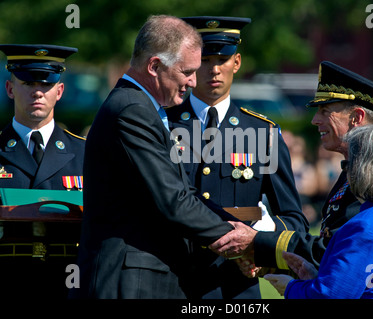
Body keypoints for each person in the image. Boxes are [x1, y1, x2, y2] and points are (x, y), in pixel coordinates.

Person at [73, 15, 257, 299]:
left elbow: (185, 193)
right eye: (187, 72)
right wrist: (237, 240)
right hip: (128, 282)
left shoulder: (144, 108)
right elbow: (173, 201)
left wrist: (237, 229)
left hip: (143, 277)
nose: (194, 82)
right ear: (155, 66)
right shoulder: (131, 110)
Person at [166, 16, 308, 299]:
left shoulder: (263, 133)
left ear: (237, 62)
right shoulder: (164, 126)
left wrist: (259, 245)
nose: (214, 69)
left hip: (235, 285)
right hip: (173, 280)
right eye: (205, 60)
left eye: (223, 59)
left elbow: (293, 219)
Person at [238, 61, 373, 272]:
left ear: (357, 117)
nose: (315, 121)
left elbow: (339, 251)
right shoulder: (357, 168)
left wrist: (262, 242)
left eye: (325, 111)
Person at [265, 124, 373, 299]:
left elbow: (331, 296)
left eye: (347, 165)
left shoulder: (365, 226)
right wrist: (315, 277)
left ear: (362, 169)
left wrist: (291, 288)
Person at [0, 44, 84, 298]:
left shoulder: (86, 153)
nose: (37, 92)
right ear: (10, 89)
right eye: (27, 84)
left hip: (67, 281)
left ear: (59, 92)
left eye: (46, 85)